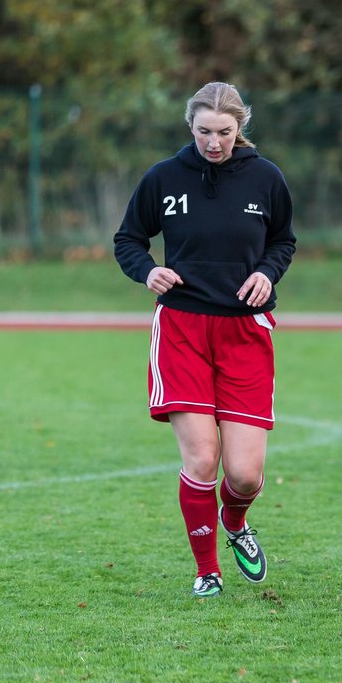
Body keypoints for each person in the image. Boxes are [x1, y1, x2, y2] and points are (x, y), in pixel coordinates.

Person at [114, 82, 296, 598]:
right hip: (182, 329)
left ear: (240, 129)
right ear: (189, 126)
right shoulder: (163, 178)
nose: (213, 143)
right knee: (201, 460)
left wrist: (267, 272)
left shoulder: (266, 178)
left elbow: (284, 240)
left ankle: (235, 520)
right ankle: (206, 570)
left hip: (245, 331)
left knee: (243, 475)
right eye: (203, 132)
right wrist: (147, 271)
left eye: (223, 132)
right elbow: (128, 239)